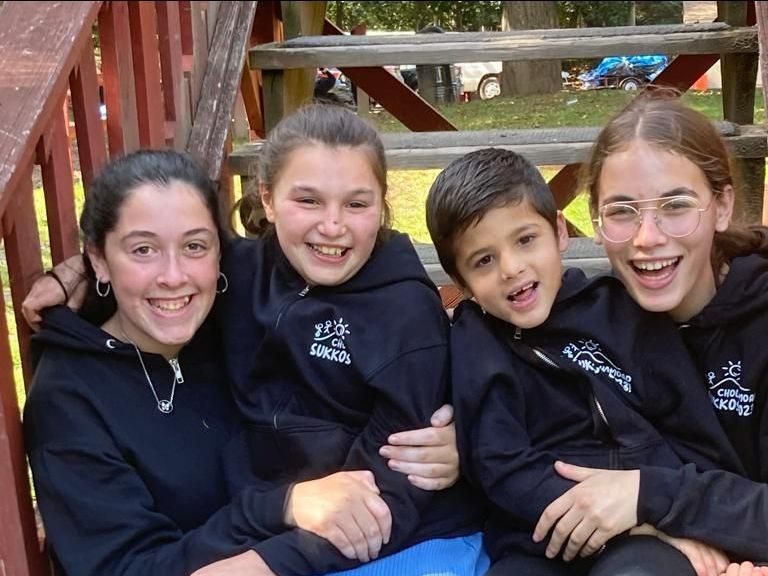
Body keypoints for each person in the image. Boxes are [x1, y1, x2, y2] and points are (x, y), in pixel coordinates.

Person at [22, 104, 487, 576]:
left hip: (397, 539)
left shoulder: (233, 296)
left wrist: (470, 443)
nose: (174, 276)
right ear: (267, 199)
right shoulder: (75, 396)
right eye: (142, 249)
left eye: (195, 246)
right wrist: (280, 515)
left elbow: (392, 487)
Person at [424, 146, 749, 576]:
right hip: (540, 537)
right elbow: (499, 463)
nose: (511, 268)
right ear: (461, 282)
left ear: (560, 232)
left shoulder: (621, 314)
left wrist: (674, 517)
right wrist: (633, 522)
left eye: (525, 240)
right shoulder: (476, 341)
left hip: (643, 533)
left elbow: (692, 431)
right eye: (483, 260)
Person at [532, 93, 768, 575]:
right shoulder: (591, 321)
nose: (647, 238)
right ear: (596, 222)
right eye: (622, 211)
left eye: (675, 205)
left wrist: (650, 495)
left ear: (722, 206)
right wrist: (458, 436)